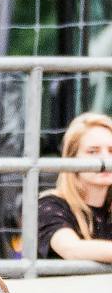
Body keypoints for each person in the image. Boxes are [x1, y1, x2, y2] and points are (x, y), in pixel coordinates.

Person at [37, 111, 112, 261]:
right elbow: (71, 249)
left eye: (111, 151)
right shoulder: (49, 205)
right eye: (93, 151)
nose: (106, 158)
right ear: (71, 158)